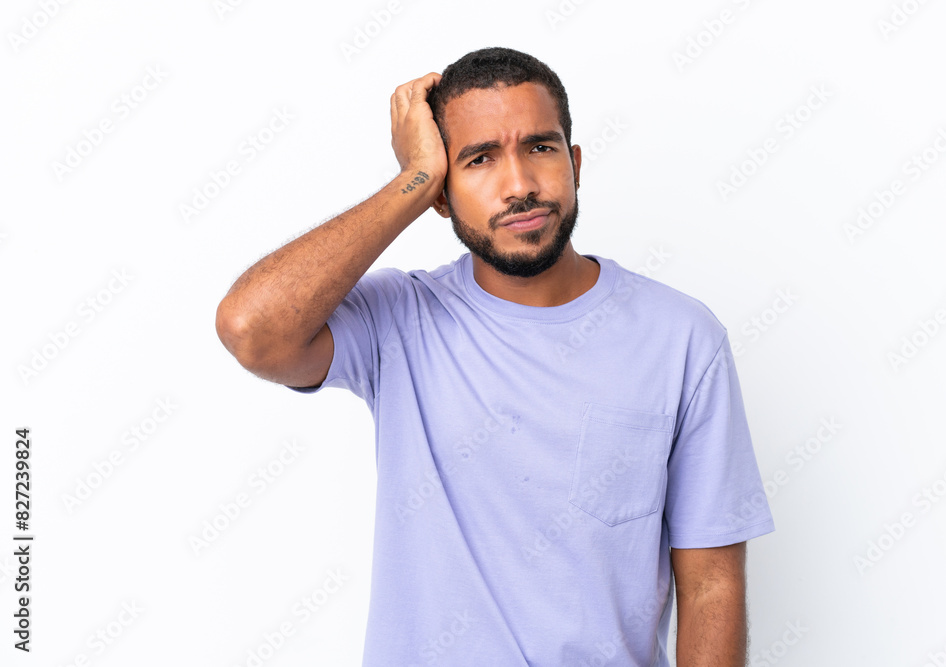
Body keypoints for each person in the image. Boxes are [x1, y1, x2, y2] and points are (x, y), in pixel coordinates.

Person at [216, 46, 775, 667]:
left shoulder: (682, 338)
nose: (520, 186)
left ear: (576, 163)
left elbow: (711, 582)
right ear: (441, 195)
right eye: (478, 160)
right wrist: (412, 178)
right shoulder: (400, 320)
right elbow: (252, 329)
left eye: (540, 147)